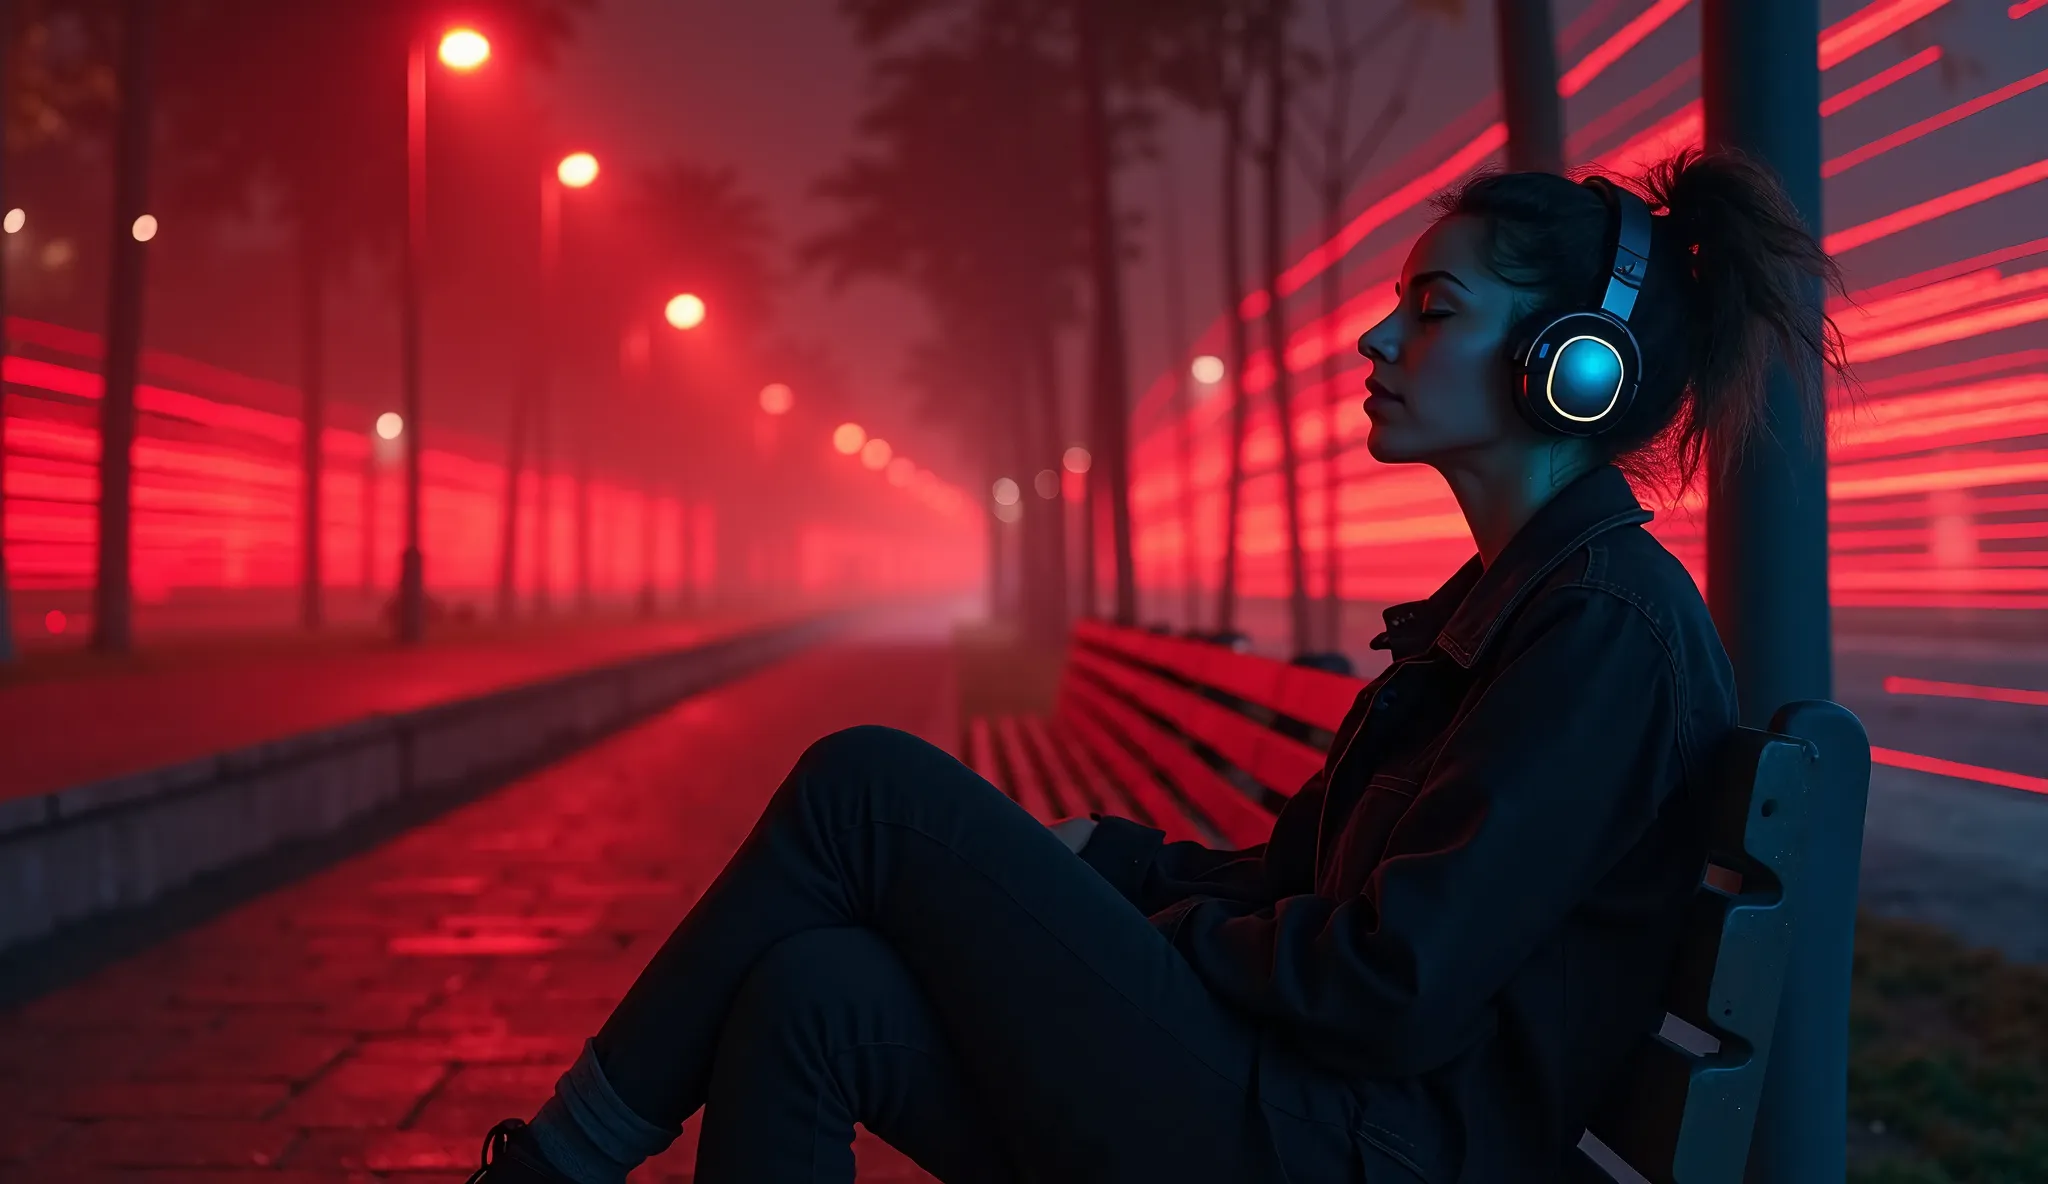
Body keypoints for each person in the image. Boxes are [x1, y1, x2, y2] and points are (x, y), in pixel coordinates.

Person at [464, 147, 1846, 1184]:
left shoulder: (1599, 629)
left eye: (1432, 307)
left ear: (1573, 369)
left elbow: (1391, 987)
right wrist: (1106, 865)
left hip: (1367, 1147)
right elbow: (1298, 884)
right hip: (1309, 1110)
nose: (1379, 337)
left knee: (866, 788)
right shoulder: (1526, 603)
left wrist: (1137, 940)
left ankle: (553, 1170)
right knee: (815, 992)